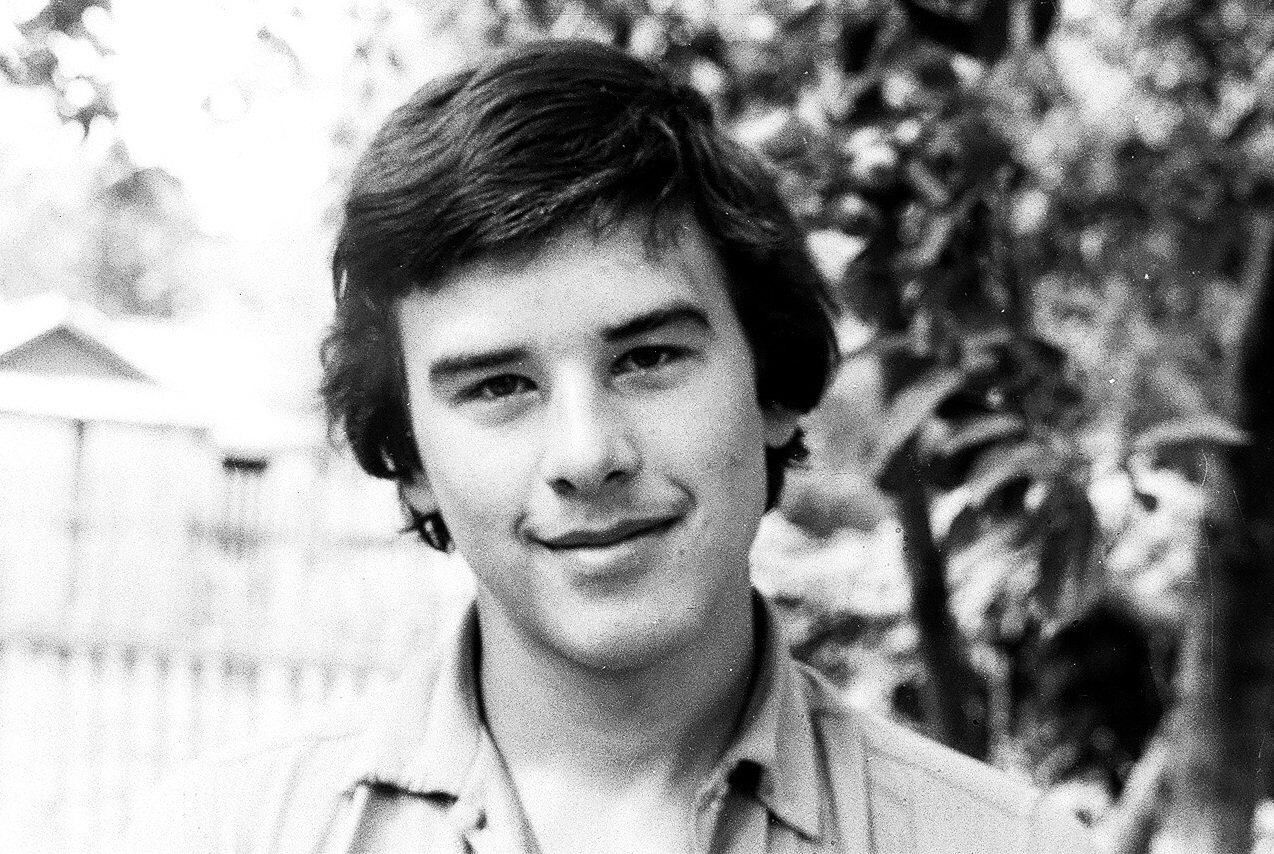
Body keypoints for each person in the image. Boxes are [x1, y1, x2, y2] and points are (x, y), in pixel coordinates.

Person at [122, 39, 1095, 853]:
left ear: (771, 385)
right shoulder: (216, 835)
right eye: (498, 385)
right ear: (411, 457)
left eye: (648, 357)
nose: (586, 455)